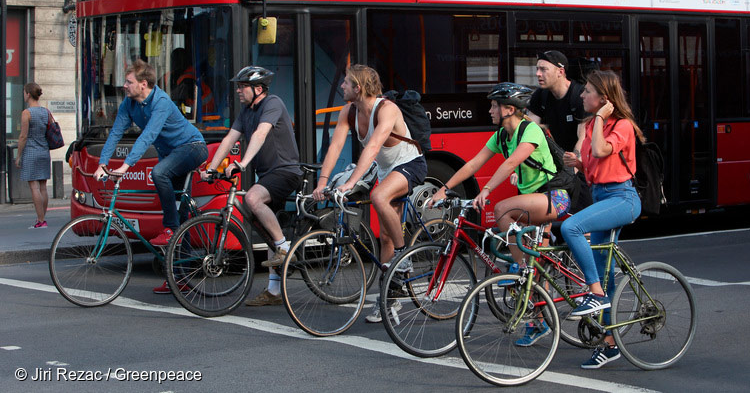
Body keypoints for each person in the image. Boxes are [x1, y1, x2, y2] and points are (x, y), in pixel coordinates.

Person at [429, 82, 570, 344]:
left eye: (494, 105)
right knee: (536, 265)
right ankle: (539, 321)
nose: (490, 110)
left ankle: (520, 269)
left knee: (502, 209)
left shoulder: (531, 131)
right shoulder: (501, 136)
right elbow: (473, 163)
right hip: (534, 201)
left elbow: (512, 162)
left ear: (509, 109)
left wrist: (488, 189)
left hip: (554, 197)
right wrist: (443, 188)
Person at [312, 64, 427, 323]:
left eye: (345, 83)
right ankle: (388, 300)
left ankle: (403, 257)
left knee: (378, 198)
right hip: (387, 170)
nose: (341, 86)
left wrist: (352, 181)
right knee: (384, 235)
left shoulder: (387, 109)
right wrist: (322, 181)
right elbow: (335, 146)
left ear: (358, 88)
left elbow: (373, 146)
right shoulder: (349, 112)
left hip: (410, 164)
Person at [94, 59, 208, 294]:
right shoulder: (129, 104)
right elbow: (116, 132)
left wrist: (126, 166)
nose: (124, 86)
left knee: (158, 173)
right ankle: (180, 278)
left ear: (143, 84)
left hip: (192, 147)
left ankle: (169, 228)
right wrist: (103, 163)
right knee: (182, 219)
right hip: (170, 154)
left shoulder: (161, 102)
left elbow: (147, 136)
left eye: (128, 82)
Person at [561, 70, 643, 369]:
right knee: (603, 272)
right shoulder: (596, 124)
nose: (581, 96)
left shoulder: (621, 125)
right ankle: (609, 345)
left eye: (587, 92)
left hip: (622, 199)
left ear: (604, 99)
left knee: (572, 226)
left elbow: (600, 149)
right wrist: (578, 164)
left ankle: (594, 293)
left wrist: (598, 121)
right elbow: (596, 165)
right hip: (601, 196)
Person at [201, 66, 302, 306]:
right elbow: (229, 139)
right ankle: (274, 291)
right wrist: (210, 168)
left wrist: (242, 164)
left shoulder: (273, 103)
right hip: (267, 174)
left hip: (285, 171)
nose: (238, 90)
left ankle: (285, 248)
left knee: (252, 199)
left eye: (242, 86)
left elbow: (260, 134)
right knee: (267, 229)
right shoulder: (246, 111)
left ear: (258, 89)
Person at [528, 50, 592, 212]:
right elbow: (528, 134)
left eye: (543, 69)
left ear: (560, 72)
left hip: (580, 166)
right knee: (544, 218)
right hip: (557, 163)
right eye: (537, 69)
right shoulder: (540, 96)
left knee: (581, 220)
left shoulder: (579, 96)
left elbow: (583, 139)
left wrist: (571, 169)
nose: (538, 74)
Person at [15, 83, 51, 229]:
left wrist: (18, 156)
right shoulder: (46, 112)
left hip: (31, 151)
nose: (23, 95)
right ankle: (42, 218)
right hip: (44, 151)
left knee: (34, 187)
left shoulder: (27, 113)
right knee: (43, 187)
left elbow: (23, 136)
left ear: (28, 94)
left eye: (24, 92)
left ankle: (40, 221)